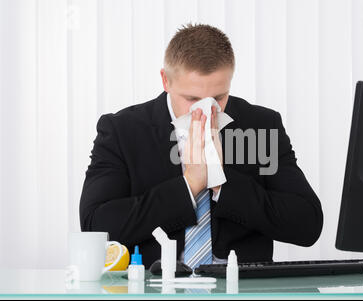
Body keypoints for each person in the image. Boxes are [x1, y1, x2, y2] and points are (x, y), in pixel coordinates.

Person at [79, 23, 323, 269]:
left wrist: (220, 181)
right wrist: (190, 184)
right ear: (166, 80)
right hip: (154, 287)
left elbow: (307, 224)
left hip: (241, 291)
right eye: (192, 99)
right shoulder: (123, 130)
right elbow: (95, 228)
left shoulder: (261, 125)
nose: (206, 110)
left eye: (218, 98)